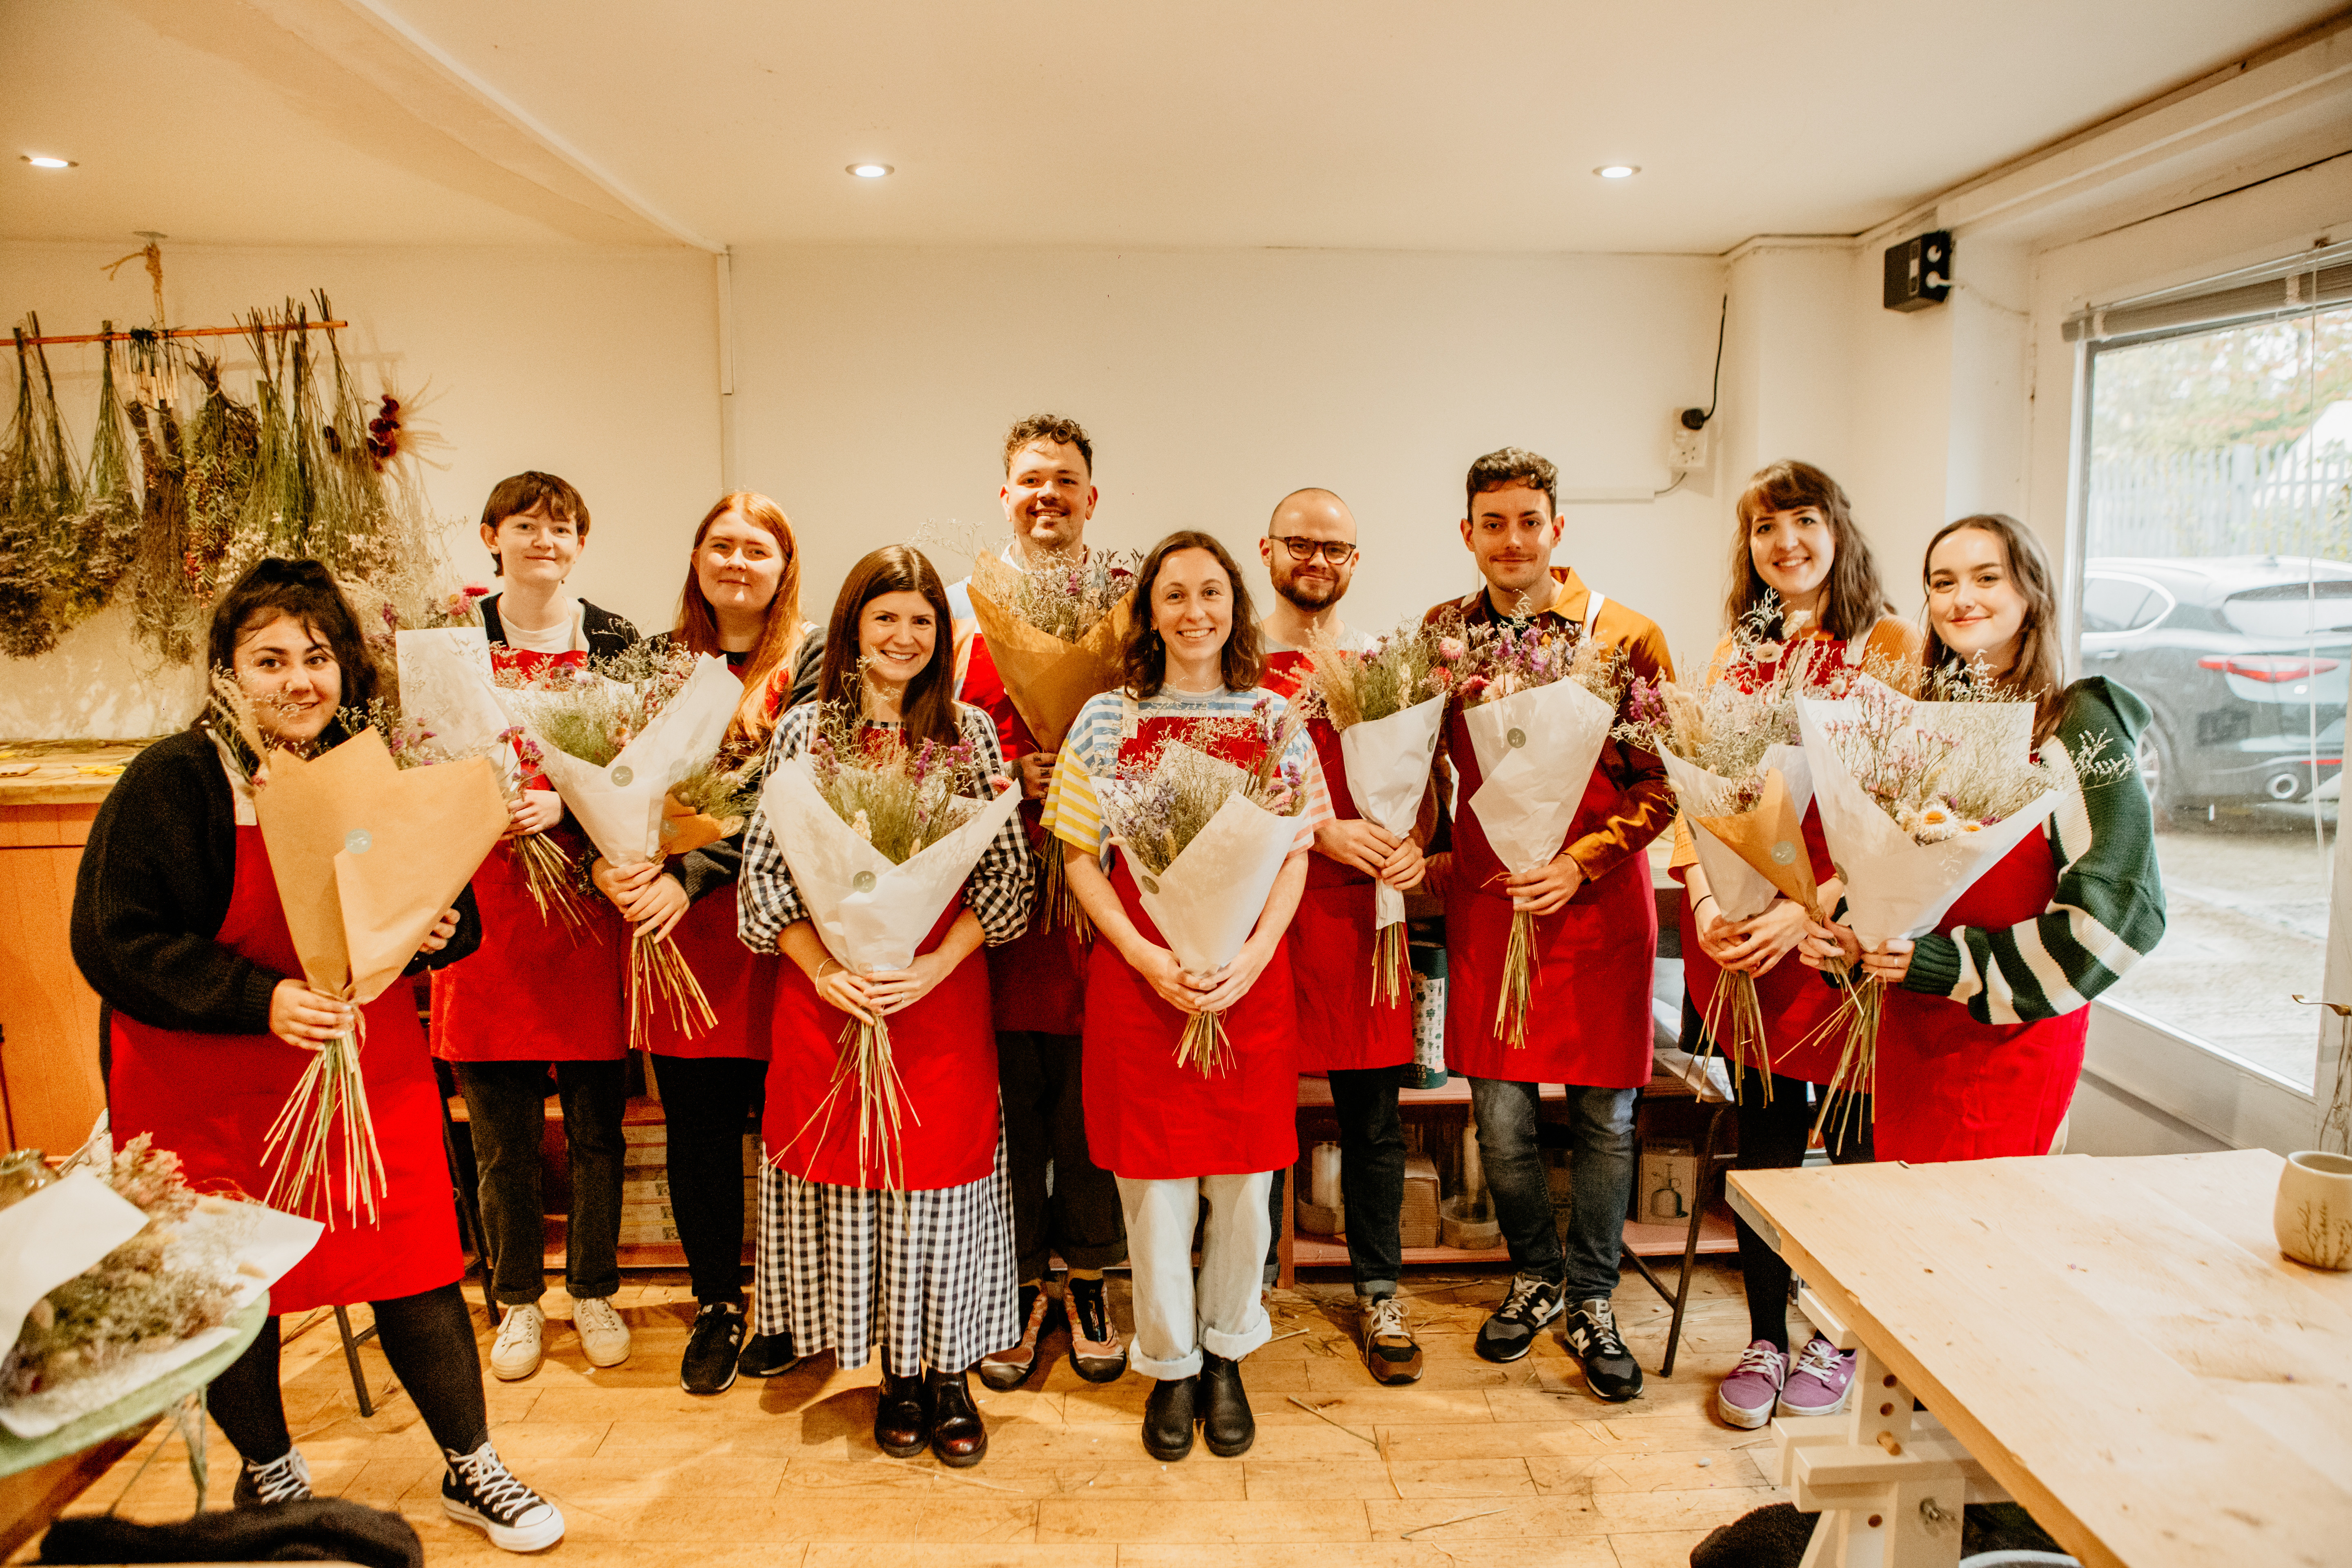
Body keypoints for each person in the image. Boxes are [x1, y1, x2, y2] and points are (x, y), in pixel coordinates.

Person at [71, 558, 563, 1552]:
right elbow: (113, 938)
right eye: (270, 660)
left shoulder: (366, 764)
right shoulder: (174, 780)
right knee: (232, 1280)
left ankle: (473, 1465)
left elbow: (445, 906)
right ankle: (272, 1472)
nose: (300, 680)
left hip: (358, 1060)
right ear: (226, 671)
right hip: (204, 1078)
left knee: (414, 1259)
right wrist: (259, 999)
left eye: (319, 657)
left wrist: (434, 929)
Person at [738, 544, 1033, 1468]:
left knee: (936, 1188)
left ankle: (945, 1375)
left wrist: (934, 965)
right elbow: (765, 879)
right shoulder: (803, 736)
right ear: (853, 627)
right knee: (859, 1185)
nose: (904, 637)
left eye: (921, 622)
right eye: (886, 617)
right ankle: (893, 1375)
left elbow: (1006, 883)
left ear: (941, 638)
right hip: (832, 1003)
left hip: (936, 1003)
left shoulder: (972, 736)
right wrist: (826, 969)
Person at [1045, 530, 1331, 1461]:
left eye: (1212, 592)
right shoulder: (1104, 721)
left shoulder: (1278, 715)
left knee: (1246, 1189)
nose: (1195, 611)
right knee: (1154, 1190)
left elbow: (1295, 853)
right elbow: (1082, 857)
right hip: (1143, 985)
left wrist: (1252, 955)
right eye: (1174, 595)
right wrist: (1140, 953)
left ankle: (1227, 1353)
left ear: (1235, 607)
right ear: (1150, 612)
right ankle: (1168, 1364)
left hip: (1249, 986)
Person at [1419, 448, 1673, 1403]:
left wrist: (1582, 860)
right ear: (1469, 533)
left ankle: (1596, 1297)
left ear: (1557, 528)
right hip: (1492, 907)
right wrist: (1433, 855)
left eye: (1530, 520)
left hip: (1600, 906)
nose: (1513, 539)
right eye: (1494, 522)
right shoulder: (1441, 636)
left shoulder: (1629, 637)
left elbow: (1662, 784)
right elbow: (1419, 768)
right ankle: (1536, 1276)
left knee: (1606, 1115)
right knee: (1502, 1115)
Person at [1800, 514, 2164, 1160]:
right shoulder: (1923, 722)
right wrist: (1853, 938)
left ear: (2033, 594)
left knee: (1983, 1239)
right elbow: (1893, 874)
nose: (1960, 598)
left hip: (2012, 1036)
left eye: (1986, 577)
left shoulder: (2079, 723)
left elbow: (2126, 913)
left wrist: (1955, 967)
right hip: (1910, 1032)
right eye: (1942, 583)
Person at [1676, 461, 1918, 1431]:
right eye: (1766, 528)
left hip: (1843, 940)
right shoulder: (1739, 649)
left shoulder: (1894, 641)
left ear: (1838, 527)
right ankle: (1767, 1337)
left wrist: (1808, 910)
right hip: (1756, 949)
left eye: (1804, 521)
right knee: (1768, 1152)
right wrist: (1704, 900)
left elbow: (1906, 810)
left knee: (1856, 1153)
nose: (1786, 544)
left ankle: (1839, 1337)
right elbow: (1704, 793)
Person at [590, 491, 824, 1394]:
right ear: (696, 559)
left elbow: (786, 789)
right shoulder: (655, 662)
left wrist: (689, 872)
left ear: (783, 567)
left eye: (756, 549)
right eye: (720, 546)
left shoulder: (809, 660)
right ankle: (721, 1303)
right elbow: (611, 779)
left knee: (787, 1124)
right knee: (696, 1129)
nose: (736, 562)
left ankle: (798, 1300)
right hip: (672, 926)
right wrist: (615, 864)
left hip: (772, 924)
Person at [432, 471, 639, 1381]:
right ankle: (517, 1301)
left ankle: (593, 1290)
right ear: (491, 537)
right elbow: (418, 764)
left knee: (597, 1130)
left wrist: (563, 806)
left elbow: (643, 779)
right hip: (484, 913)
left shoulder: (619, 642)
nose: (545, 542)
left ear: (581, 545)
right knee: (502, 1137)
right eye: (527, 526)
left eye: (562, 529)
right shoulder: (449, 643)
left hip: (587, 915)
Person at [953, 415, 1130, 1392]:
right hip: (996, 909)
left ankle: (1094, 1279)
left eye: (1065, 480)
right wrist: (1004, 775)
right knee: (1013, 1109)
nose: (1047, 495)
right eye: (1031, 480)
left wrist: (1084, 773)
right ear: (1006, 493)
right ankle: (1017, 1283)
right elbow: (929, 752)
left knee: (1090, 1108)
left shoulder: (1130, 612)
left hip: (1101, 904)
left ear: (1091, 499)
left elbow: (1157, 736)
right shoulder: (961, 611)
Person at [1254, 488, 1428, 1384]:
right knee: (1252, 1111)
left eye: (1336, 549)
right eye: (1301, 545)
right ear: (1267, 550)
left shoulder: (1383, 664)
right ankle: (1242, 1288)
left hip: (1366, 917)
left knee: (1374, 1122)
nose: (1317, 561)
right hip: (1265, 912)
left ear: (1355, 563)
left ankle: (1380, 1290)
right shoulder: (1234, 664)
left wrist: (1415, 850)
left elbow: (1424, 789)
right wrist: (1319, 832)